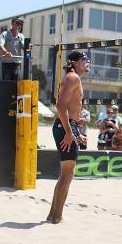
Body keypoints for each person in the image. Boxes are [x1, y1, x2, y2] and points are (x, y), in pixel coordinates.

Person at [47, 51, 90, 224]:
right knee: (67, 175)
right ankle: (57, 217)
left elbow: (70, 111)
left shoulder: (73, 78)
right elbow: (60, 106)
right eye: (86, 60)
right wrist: (69, 132)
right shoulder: (73, 78)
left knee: (65, 175)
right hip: (64, 127)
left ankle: (52, 215)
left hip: (67, 126)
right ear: (77, 62)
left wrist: (76, 132)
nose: (89, 62)